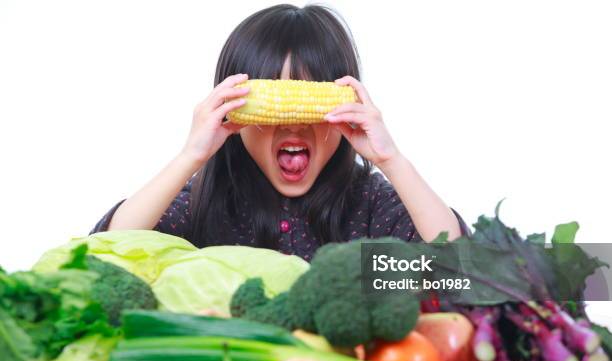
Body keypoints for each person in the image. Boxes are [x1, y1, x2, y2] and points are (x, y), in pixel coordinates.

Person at [92, 4, 468, 261]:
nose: (293, 124)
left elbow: (460, 270)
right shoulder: (205, 200)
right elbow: (106, 252)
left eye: (314, 97)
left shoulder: (369, 203)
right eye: (273, 94)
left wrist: (393, 161)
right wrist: (190, 157)